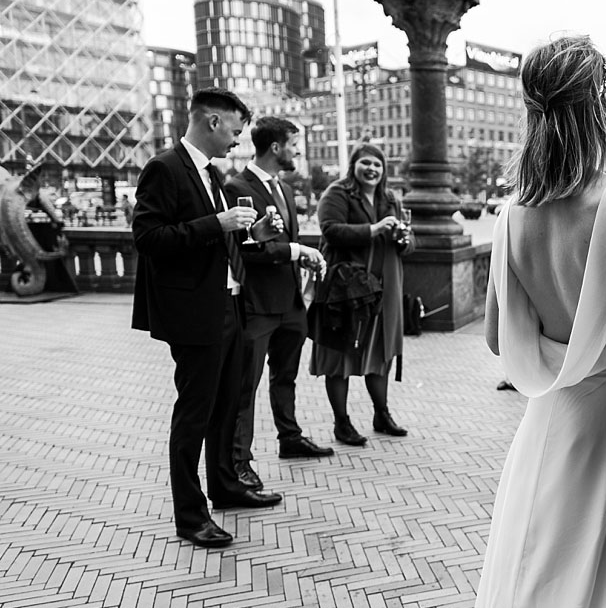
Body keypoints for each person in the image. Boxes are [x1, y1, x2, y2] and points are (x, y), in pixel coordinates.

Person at [467, 35, 606, 608]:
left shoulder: (514, 213)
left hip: (544, 427)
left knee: (526, 578)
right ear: (599, 102)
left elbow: (495, 339)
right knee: (586, 595)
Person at [131, 87, 284, 549]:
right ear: (213, 122)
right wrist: (218, 224)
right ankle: (190, 516)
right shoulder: (164, 166)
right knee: (194, 414)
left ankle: (226, 487)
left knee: (228, 404)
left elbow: (221, 242)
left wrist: (252, 233)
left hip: (230, 305)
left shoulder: (212, 173)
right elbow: (148, 237)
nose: (238, 140)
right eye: (236, 130)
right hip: (195, 312)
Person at [223, 117, 333, 491]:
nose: (297, 152)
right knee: (245, 386)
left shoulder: (283, 189)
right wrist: (297, 250)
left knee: (285, 377)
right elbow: (244, 250)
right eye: (294, 145)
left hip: (289, 303)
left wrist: (301, 260)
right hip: (257, 305)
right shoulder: (236, 187)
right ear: (275, 147)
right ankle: (240, 462)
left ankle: (290, 438)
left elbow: (284, 241)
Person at [310, 142, 413, 443]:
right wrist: (373, 229)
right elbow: (330, 230)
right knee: (340, 355)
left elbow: (409, 242)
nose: (372, 169)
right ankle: (341, 423)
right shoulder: (337, 193)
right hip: (347, 290)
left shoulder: (391, 198)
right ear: (353, 164)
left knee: (380, 352)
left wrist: (403, 238)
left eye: (378, 165)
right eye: (365, 163)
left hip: (386, 287)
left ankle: (382, 414)